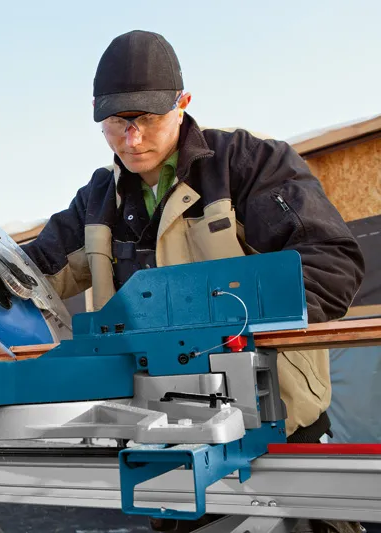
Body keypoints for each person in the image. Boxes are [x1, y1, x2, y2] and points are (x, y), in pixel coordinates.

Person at [21, 30, 365, 533]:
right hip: (161, 440)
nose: (131, 140)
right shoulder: (96, 202)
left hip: (277, 426)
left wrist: (208, 323)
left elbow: (333, 266)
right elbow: (23, 276)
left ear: (183, 103)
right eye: (117, 123)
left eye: (148, 120)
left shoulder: (248, 166)